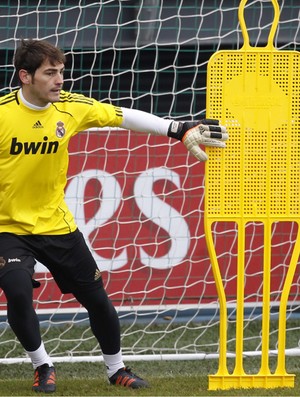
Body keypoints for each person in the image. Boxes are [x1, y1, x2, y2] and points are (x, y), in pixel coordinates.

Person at [0, 39, 228, 393]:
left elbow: (123, 116)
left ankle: (116, 368)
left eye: (61, 72)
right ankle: (42, 365)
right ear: (25, 76)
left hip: (56, 224)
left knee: (97, 300)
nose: (59, 80)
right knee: (16, 291)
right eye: (49, 73)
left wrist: (177, 128)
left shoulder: (71, 108)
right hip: (7, 227)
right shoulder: (2, 113)